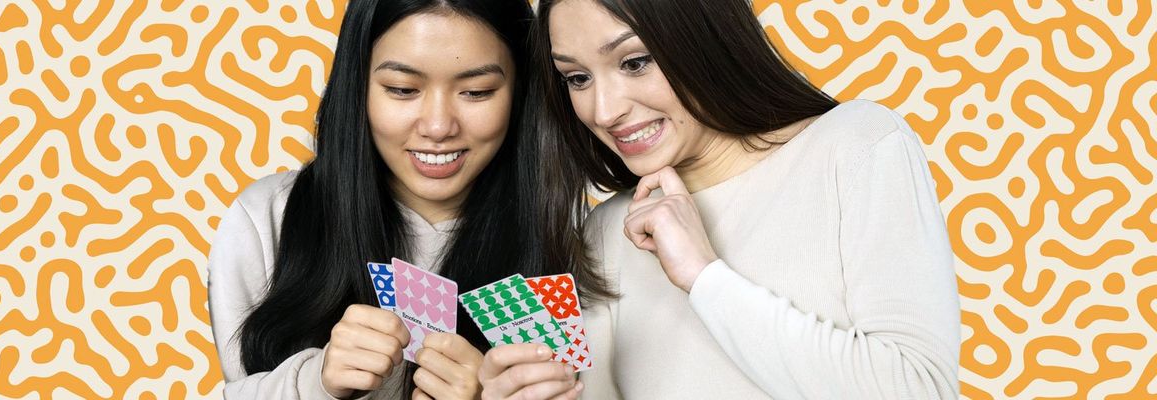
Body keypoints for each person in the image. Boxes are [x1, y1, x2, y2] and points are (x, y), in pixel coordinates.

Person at [478, 0, 961, 399]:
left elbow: (918, 388)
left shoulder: (855, 144)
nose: (604, 110)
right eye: (577, 78)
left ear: (702, 38)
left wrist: (705, 277)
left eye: (634, 62)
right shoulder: (609, 228)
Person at [206, 1, 608, 399]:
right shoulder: (268, 218)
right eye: (402, 89)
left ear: (520, 93)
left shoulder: (575, 238)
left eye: (476, 92)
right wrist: (318, 383)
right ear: (358, 85)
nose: (437, 127)